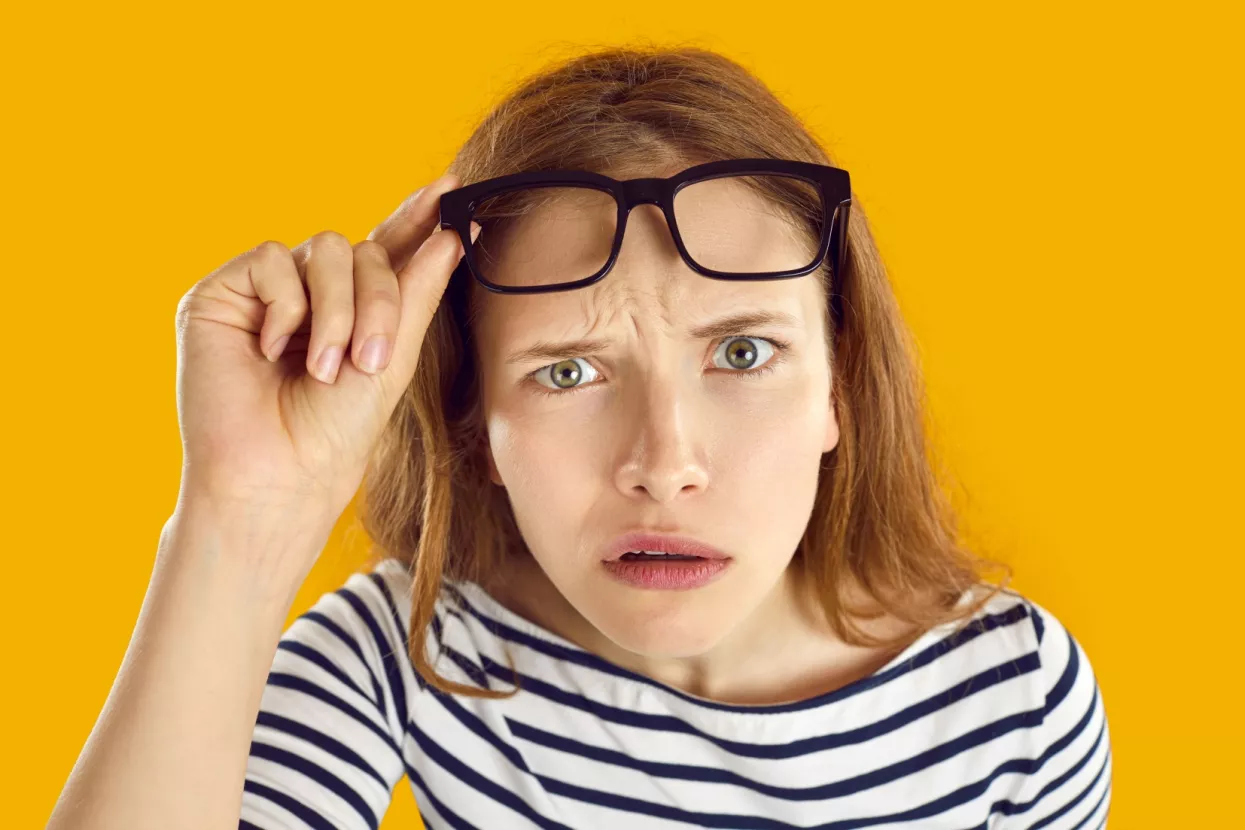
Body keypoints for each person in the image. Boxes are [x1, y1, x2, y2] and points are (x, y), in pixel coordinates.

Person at [48, 46, 1112, 829]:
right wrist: (242, 515)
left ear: (839, 383)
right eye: (568, 371)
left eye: (742, 354)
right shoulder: (407, 658)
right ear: (475, 423)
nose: (664, 462)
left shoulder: (1014, 698)